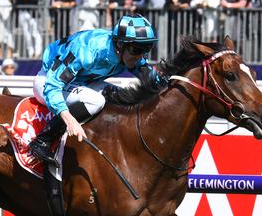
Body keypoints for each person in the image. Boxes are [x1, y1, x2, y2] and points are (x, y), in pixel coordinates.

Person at [28, 14, 165, 167]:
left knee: (121, 97)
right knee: (96, 101)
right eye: (136, 49)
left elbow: (155, 80)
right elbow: (53, 85)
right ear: (119, 45)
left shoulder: (128, 52)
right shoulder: (88, 51)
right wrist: (68, 117)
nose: (140, 55)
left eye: (146, 48)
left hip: (80, 83)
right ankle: (43, 140)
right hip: (47, 81)